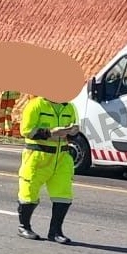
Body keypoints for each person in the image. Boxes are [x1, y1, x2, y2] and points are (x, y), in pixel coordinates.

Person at [17, 94, 79, 244]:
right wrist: (51, 133)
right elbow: (26, 130)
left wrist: (72, 132)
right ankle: (24, 226)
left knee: (63, 195)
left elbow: (75, 132)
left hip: (62, 157)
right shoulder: (35, 105)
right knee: (29, 192)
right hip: (38, 157)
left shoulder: (69, 107)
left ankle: (56, 232)